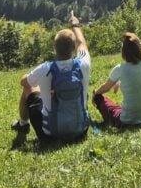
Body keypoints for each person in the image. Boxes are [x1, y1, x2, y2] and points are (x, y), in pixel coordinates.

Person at [12, 11, 90, 141]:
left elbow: (24, 83)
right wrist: (74, 25)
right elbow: (82, 43)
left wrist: (35, 81)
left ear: (55, 48)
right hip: (80, 130)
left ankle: (22, 124)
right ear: (73, 48)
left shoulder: (45, 68)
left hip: (50, 133)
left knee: (29, 87)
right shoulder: (83, 64)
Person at [92, 32, 141, 127]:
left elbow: (105, 88)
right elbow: (135, 76)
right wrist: (119, 81)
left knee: (99, 98)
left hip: (127, 120)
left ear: (124, 52)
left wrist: (95, 93)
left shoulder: (120, 69)